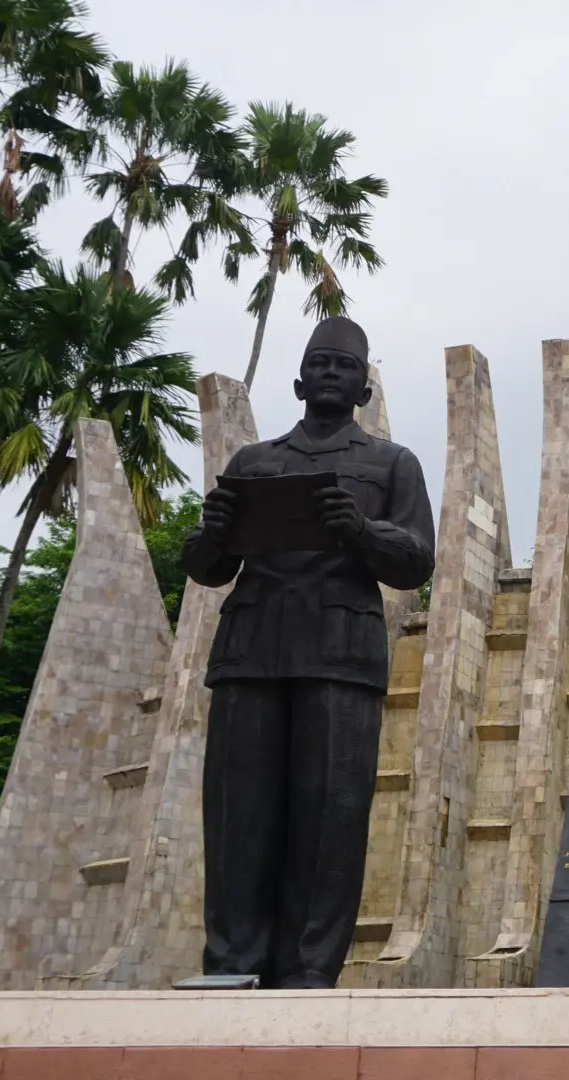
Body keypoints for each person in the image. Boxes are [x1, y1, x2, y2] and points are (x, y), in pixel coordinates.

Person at [183, 316, 435, 989]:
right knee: (240, 812)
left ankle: (307, 972)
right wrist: (210, 534)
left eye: (343, 365)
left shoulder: (392, 463)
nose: (329, 372)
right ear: (299, 380)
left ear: (363, 386)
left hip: (341, 652)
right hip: (251, 648)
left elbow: (415, 562)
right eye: (318, 362)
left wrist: (362, 532)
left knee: (330, 817)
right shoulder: (254, 463)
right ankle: (232, 964)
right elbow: (209, 569)